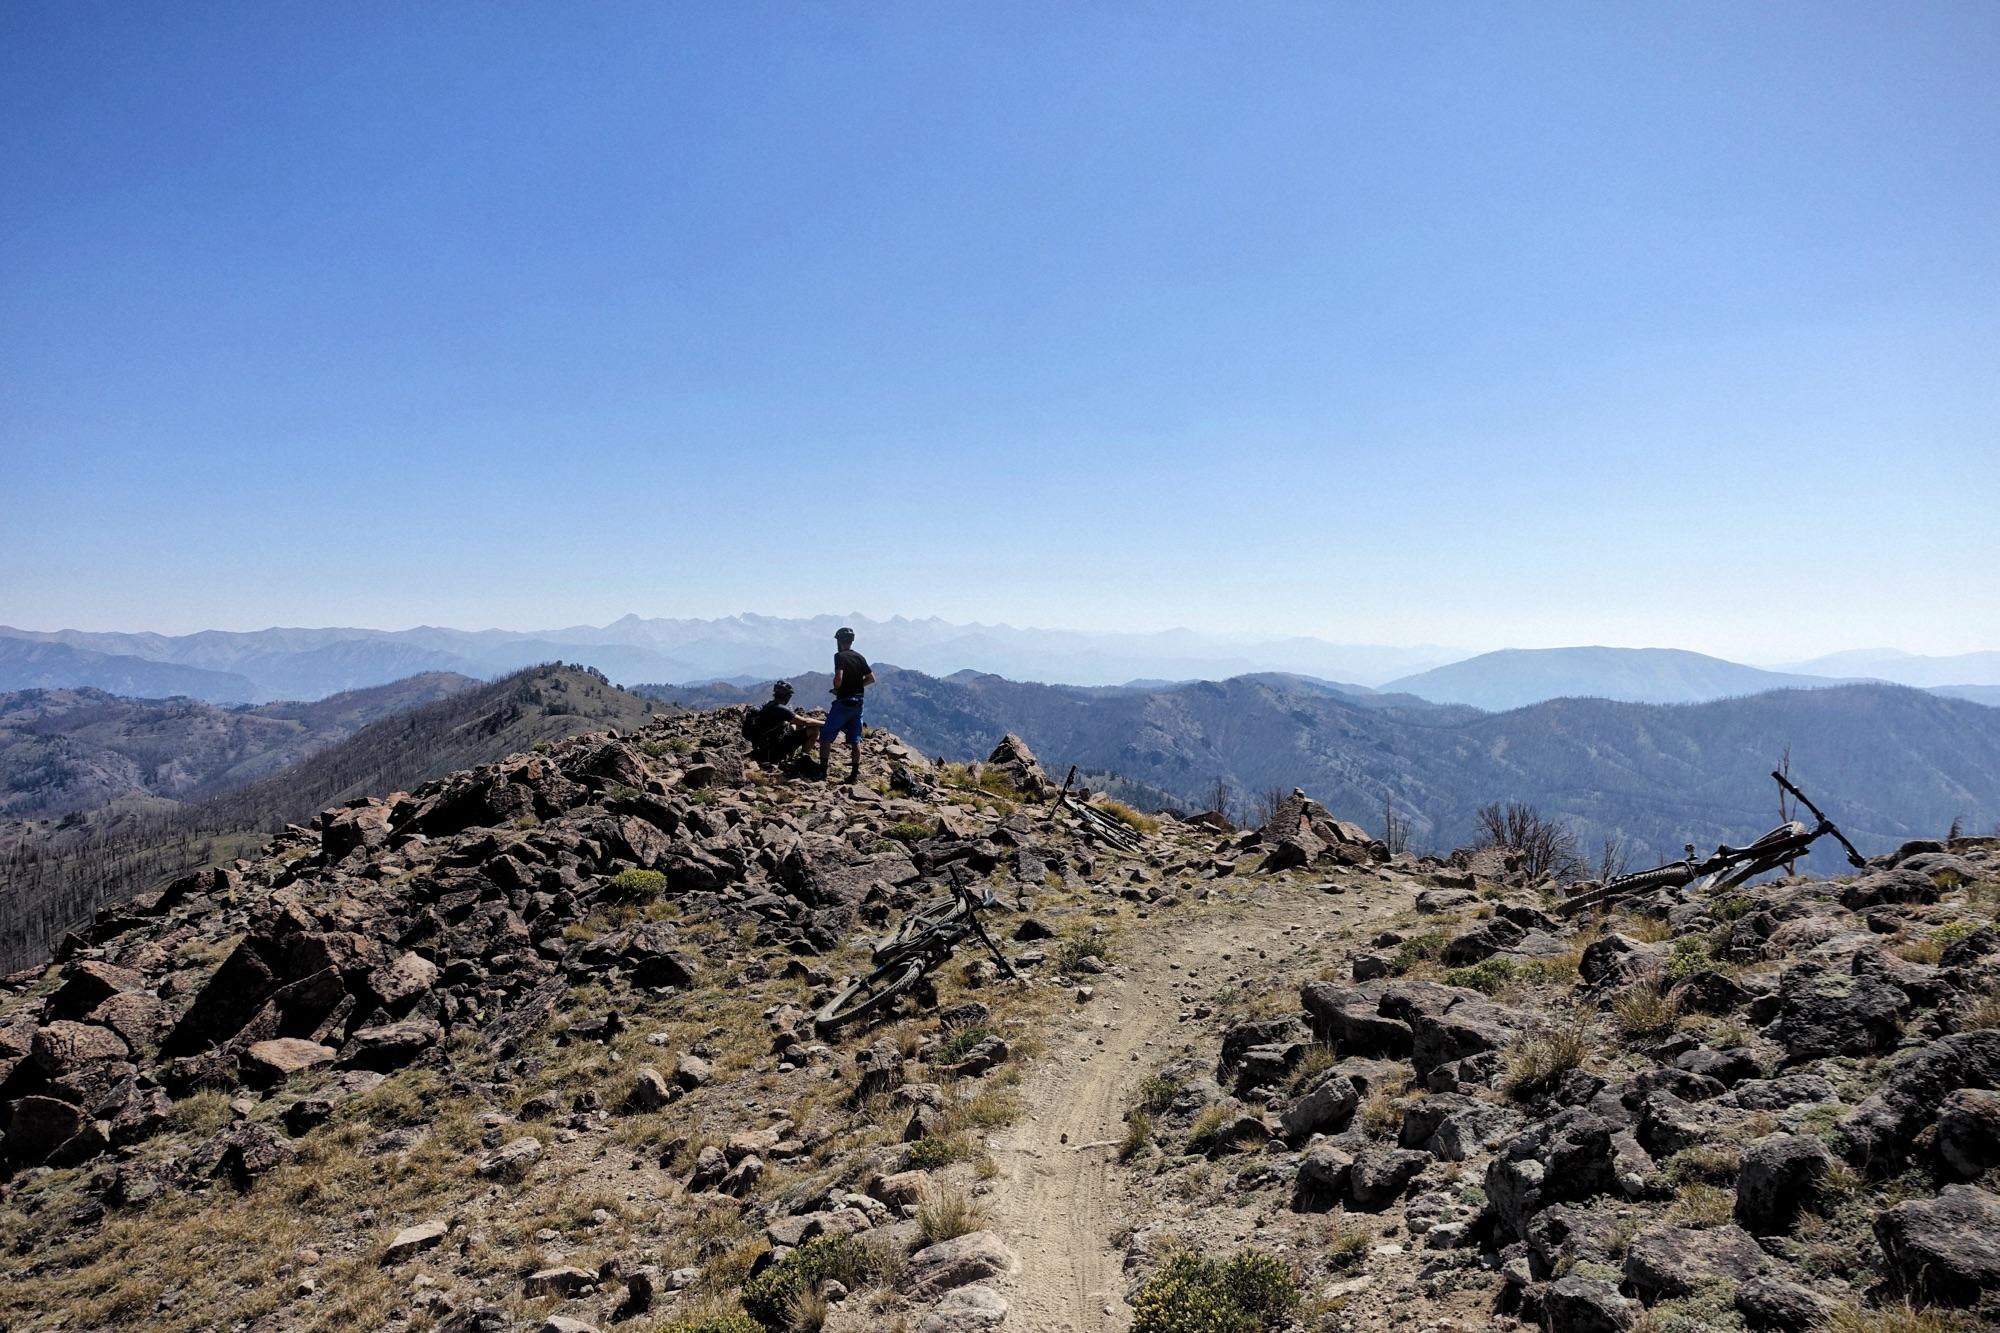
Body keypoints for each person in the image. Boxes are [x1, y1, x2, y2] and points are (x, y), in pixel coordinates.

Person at [819, 625, 875, 783]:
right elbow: (871, 678)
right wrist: (856, 687)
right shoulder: (860, 657)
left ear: (839, 641)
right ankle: (854, 775)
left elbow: (838, 678)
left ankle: (823, 772)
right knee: (855, 739)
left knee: (826, 736)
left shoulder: (839, 656)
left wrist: (838, 688)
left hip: (843, 702)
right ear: (851, 641)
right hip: (858, 702)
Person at [745, 680, 818, 766]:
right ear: (787, 696)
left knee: (794, 726)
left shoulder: (769, 704)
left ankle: (792, 756)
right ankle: (802, 760)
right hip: (774, 752)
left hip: (764, 749)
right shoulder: (780, 709)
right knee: (814, 730)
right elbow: (806, 721)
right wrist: (825, 723)